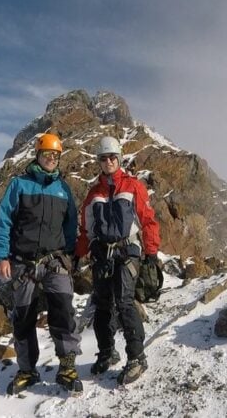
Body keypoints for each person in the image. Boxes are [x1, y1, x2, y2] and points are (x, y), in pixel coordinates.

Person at [0, 132, 82, 394]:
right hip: (23, 262)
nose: (51, 159)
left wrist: (69, 255)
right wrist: (2, 256)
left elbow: (70, 224)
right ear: (38, 156)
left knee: (63, 311)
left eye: (55, 156)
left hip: (55, 261)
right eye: (47, 155)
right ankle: (27, 370)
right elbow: (3, 221)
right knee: (24, 317)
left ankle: (67, 367)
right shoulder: (19, 185)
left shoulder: (63, 189)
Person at [76, 136, 160, 385]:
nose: (109, 161)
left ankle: (137, 357)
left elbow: (147, 220)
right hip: (103, 254)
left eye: (112, 157)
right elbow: (86, 229)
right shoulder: (94, 194)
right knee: (102, 306)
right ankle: (106, 352)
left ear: (119, 159)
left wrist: (152, 252)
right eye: (104, 158)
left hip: (127, 252)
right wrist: (78, 254)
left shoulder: (133, 186)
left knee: (124, 302)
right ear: (99, 162)